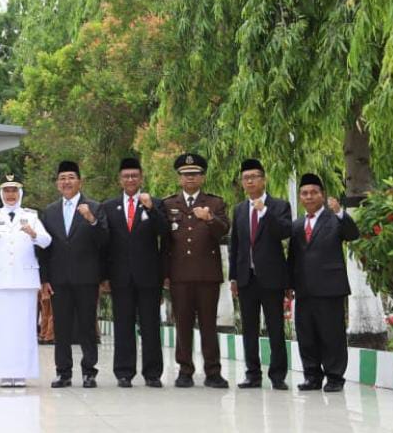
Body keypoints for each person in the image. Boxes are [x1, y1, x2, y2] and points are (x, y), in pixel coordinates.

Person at [37, 160, 109, 388]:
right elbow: (43, 249)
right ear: (57, 184)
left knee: (87, 327)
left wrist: (92, 220)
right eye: (62, 178)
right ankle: (63, 372)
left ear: (80, 181)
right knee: (61, 328)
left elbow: (105, 241)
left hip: (87, 277)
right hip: (59, 279)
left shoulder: (95, 207)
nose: (66, 182)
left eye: (71, 177)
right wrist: (44, 279)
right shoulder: (49, 212)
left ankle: (89, 372)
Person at [163, 154, 231, 389]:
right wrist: (165, 274)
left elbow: (223, 230)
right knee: (182, 325)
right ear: (179, 178)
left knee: (208, 325)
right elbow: (165, 242)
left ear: (202, 177)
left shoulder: (215, 203)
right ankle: (185, 371)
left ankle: (213, 371)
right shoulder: (169, 204)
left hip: (207, 275)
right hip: (180, 275)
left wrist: (210, 218)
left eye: (194, 174)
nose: (190, 178)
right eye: (185, 174)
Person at [288, 173, 359, 393]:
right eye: (304, 193)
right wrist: (289, 284)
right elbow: (292, 257)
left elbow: (352, 234)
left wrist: (340, 212)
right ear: (300, 197)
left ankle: (335, 377)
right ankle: (312, 376)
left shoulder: (334, 218)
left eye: (313, 192)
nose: (309, 197)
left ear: (322, 195)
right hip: (304, 289)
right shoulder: (296, 225)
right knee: (306, 335)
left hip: (330, 288)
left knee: (332, 335)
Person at [102, 157, 168, 388]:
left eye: (134, 175)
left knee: (150, 326)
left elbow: (165, 231)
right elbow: (104, 244)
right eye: (126, 176)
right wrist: (104, 277)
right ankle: (123, 372)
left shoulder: (155, 203)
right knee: (123, 326)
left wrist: (151, 208)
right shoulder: (109, 207)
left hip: (149, 276)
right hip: (120, 276)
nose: (130, 179)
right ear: (120, 180)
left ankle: (153, 373)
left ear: (141, 178)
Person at [229, 158, 293, 390]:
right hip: (246, 278)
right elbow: (235, 245)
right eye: (246, 178)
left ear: (263, 180)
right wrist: (234, 277)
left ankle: (278, 376)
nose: (250, 181)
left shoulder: (279, 206)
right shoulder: (239, 210)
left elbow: (284, 232)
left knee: (275, 328)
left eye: (254, 177)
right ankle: (252, 374)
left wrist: (264, 211)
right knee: (249, 329)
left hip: (272, 278)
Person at [0, 174, 50, 387]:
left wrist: (33, 234)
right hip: (0, 281)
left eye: (14, 190)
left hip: (25, 281)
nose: (10, 195)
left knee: (25, 328)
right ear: (1, 193)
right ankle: (4, 373)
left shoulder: (31, 216)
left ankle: (21, 373)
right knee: (2, 329)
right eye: (6, 191)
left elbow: (47, 241)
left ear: (20, 193)